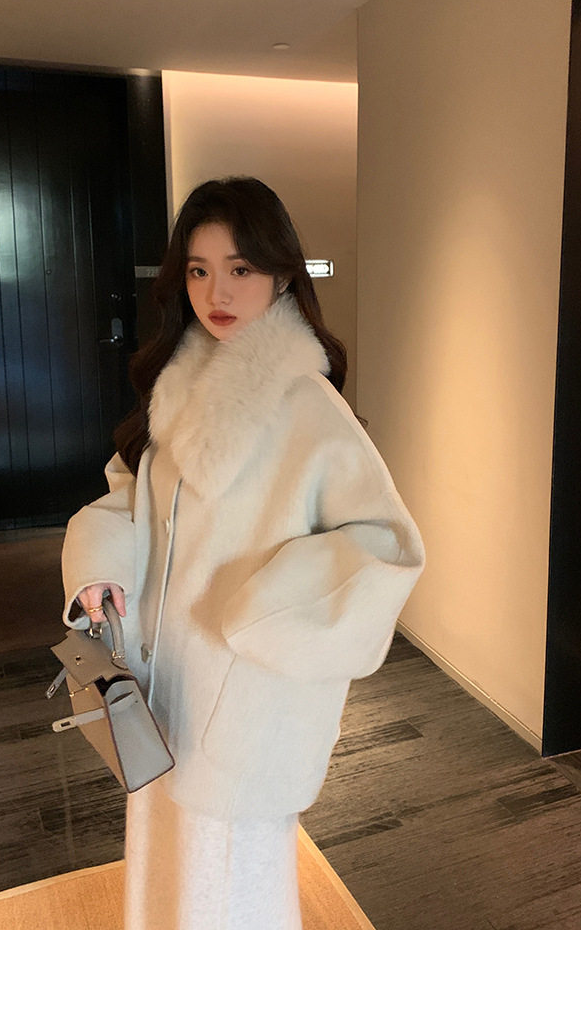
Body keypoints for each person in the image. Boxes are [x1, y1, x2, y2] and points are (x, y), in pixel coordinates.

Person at [61, 176, 425, 929]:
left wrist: (260, 615)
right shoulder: (180, 387)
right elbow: (132, 496)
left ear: (282, 275)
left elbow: (386, 544)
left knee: (231, 892)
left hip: (245, 692)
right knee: (168, 863)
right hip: (160, 683)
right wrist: (99, 568)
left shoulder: (307, 405)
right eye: (198, 270)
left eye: (241, 268)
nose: (215, 292)